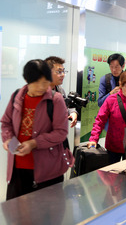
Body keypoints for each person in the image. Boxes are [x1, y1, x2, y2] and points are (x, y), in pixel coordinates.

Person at [1, 59, 73, 200]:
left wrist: (34, 143)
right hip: (18, 170)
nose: (42, 87)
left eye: (45, 82)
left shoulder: (55, 99)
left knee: (45, 217)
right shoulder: (17, 96)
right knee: (16, 215)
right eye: (38, 82)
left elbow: (61, 132)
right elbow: (6, 122)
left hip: (47, 171)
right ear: (28, 80)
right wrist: (8, 138)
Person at [44, 56, 78, 128]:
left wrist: (73, 113)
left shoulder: (60, 90)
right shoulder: (39, 92)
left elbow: (66, 106)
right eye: (59, 72)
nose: (63, 75)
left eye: (63, 71)